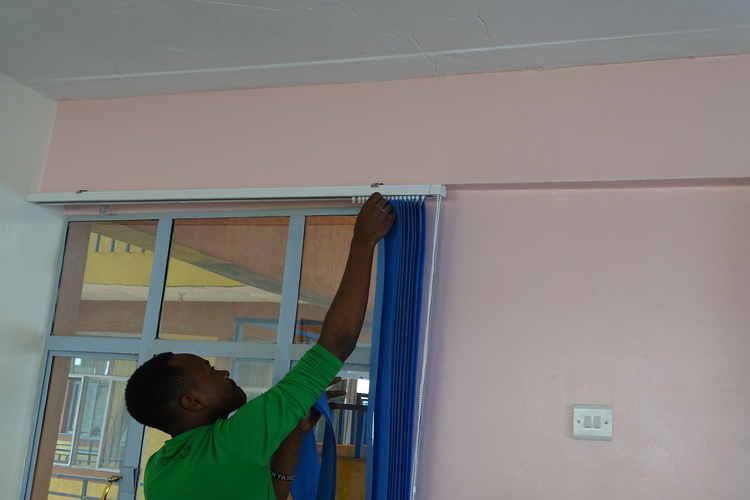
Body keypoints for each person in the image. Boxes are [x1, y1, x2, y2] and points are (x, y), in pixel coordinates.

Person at [124, 192, 395, 500]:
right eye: (210, 371)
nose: (224, 372)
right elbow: (338, 342)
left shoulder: (158, 468)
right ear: (193, 401)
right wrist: (364, 240)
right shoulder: (232, 440)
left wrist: (295, 432)